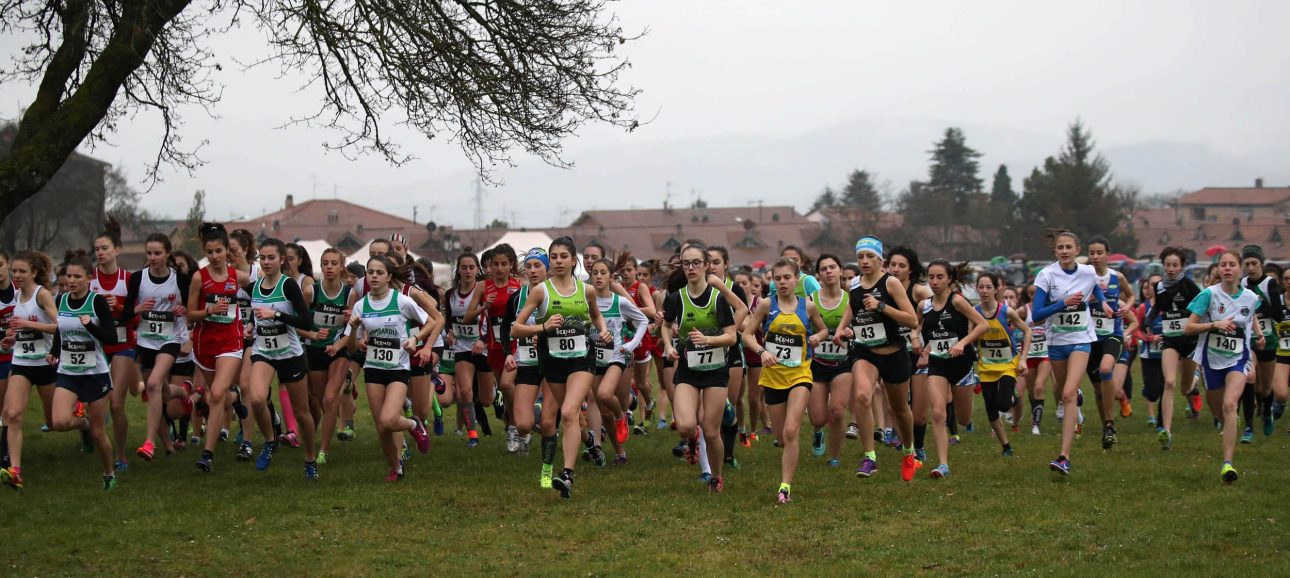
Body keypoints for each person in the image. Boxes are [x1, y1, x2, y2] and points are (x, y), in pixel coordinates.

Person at [511, 237, 612, 498]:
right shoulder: (540, 291)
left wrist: (602, 331)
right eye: (553, 256)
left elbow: (596, 314)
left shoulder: (586, 290)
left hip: (582, 360)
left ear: (573, 260)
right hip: (552, 362)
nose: (557, 261)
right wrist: (543, 327)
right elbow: (516, 328)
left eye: (563, 256)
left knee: (567, 412)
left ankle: (567, 475)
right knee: (573, 417)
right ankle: (590, 441)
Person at [333, 254, 435, 481]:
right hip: (373, 369)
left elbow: (431, 322)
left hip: (398, 368)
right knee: (382, 427)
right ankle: (396, 468)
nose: (374, 276)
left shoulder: (401, 301)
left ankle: (413, 424)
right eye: (370, 272)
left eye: (380, 272)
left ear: (389, 277)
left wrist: (415, 339)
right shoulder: (360, 306)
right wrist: (356, 329)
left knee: (389, 419)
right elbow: (352, 347)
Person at [833, 237, 922, 481]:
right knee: (862, 395)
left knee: (900, 409)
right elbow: (852, 308)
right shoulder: (854, 283)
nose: (864, 261)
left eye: (869, 257)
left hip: (893, 353)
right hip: (865, 351)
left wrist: (882, 306)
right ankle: (870, 457)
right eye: (860, 256)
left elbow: (912, 319)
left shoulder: (891, 283)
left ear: (880, 259)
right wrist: (842, 327)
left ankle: (908, 452)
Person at [743, 257, 829, 502]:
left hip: (800, 374)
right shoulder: (766, 306)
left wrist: (817, 337)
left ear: (796, 279)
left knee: (792, 430)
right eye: (777, 278)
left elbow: (823, 329)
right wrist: (762, 351)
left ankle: (784, 487)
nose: (782, 282)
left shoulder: (808, 306)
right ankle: (786, 463)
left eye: (787, 278)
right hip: (772, 377)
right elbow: (747, 335)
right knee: (782, 436)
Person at [1028, 230, 1111, 476]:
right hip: (1055, 342)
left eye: (1068, 247)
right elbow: (1037, 315)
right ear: (1055, 251)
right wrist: (1062, 304)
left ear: (1077, 250)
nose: (1064, 251)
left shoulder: (1088, 272)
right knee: (1063, 396)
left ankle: (1064, 457)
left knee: (1067, 394)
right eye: (1060, 247)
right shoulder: (1046, 275)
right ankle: (1075, 396)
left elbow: (1095, 287)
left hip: (1081, 339)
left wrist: (1103, 301)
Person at [1182, 251, 1262, 484]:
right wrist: (1214, 324)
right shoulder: (1209, 295)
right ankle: (1229, 422)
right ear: (1218, 269)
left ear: (1240, 269)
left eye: (1232, 264)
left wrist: (1257, 333)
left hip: (1238, 358)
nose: (1227, 268)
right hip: (1211, 361)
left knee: (1230, 404)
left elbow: (1251, 314)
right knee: (1219, 411)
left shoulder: (1250, 296)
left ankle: (1227, 464)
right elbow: (1188, 327)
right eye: (1223, 265)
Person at [244, 239, 319, 478]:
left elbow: (306, 322)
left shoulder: (288, 286)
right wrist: (250, 325)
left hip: (290, 354)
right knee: (256, 398)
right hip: (264, 351)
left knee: (302, 414)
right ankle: (270, 440)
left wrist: (276, 313)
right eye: (262, 258)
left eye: (271, 258)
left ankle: (309, 459)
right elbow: (255, 318)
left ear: (281, 260)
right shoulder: (253, 287)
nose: (266, 262)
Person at [188, 223, 253, 472]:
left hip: (230, 342)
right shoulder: (199, 278)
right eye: (210, 251)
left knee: (215, 395)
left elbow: (262, 289)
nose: (214, 256)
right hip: (205, 345)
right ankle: (235, 398)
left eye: (218, 251)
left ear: (227, 250)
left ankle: (207, 454)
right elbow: (190, 316)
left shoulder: (239, 277)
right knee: (218, 396)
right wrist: (208, 310)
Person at [123, 233, 191, 460]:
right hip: (145, 341)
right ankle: (182, 393)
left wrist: (185, 311)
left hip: (170, 340)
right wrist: (138, 308)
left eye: (158, 253)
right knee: (159, 392)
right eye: (149, 253)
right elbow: (124, 313)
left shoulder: (179, 279)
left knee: (152, 385)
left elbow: (194, 306)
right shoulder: (137, 278)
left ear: (168, 253)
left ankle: (149, 443)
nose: (152, 257)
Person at [918, 260, 988, 478]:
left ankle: (972, 384)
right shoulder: (924, 305)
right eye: (931, 277)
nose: (935, 282)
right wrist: (918, 343)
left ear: (949, 279)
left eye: (940, 277)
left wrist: (962, 343)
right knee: (938, 413)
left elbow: (982, 324)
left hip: (961, 364)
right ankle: (943, 465)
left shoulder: (957, 301)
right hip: (938, 364)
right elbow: (916, 327)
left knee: (963, 419)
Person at [0, 251, 59, 490]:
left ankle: (84, 426)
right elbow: (20, 332)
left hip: (44, 365)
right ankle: (15, 471)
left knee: (55, 422)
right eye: (14, 271)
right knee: (12, 414)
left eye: (22, 271)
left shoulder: (41, 295)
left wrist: (28, 324)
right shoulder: (14, 297)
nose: (17, 275)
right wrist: (10, 340)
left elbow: (59, 327)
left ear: (34, 273)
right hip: (22, 364)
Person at [90, 218, 142, 470]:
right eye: (97, 249)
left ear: (117, 251)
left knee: (117, 402)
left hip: (123, 344)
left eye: (104, 248)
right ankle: (91, 434)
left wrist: (119, 308)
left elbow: (137, 317)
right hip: (98, 346)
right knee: (94, 403)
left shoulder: (129, 279)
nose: (100, 253)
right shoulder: (89, 281)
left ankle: (121, 456)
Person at [588, 258, 649, 464]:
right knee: (603, 409)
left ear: (611, 277)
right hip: (595, 358)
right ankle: (619, 451)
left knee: (607, 395)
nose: (598, 276)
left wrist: (631, 344)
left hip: (616, 356)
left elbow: (642, 320)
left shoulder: (619, 301)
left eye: (602, 272)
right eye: (594, 272)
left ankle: (621, 415)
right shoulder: (586, 300)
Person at [1144, 247, 1203, 450]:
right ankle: (1166, 432)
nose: (1170, 269)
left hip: (1190, 341)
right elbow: (1157, 308)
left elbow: (1203, 307)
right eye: (1167, 265)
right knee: (1169, 382)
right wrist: (1148, 321)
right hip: (1170, 341)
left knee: (1185, 388)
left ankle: (1195, 380)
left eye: (1175, 265)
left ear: (1181, 266)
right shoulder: (1159, 286)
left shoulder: (1189, 286)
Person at [465, 244, 522, 451]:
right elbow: (467, 317)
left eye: (504, 264)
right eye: (495, 264)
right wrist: (484, 307)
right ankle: (512, 426)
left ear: (511, 265)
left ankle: (517, 429)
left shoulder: (519, 285)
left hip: (515, 345)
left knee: (507, 385)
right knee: (505, 392)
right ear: (489, 265)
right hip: (494, 347)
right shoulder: (483, 286)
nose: (499, 268)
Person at [974, 272, 1030, 457]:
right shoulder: (974, 312)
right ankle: (1006, 446)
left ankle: (1013, 398)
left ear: (997, 289)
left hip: (1007, 365)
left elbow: (1027, 331)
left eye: (988, 287)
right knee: (991, 411)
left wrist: (1023, 359)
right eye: (981, 287)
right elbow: (970, 336)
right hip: (986, 367)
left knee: (1004, 405)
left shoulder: (1007, 312)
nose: (984, 291)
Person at [1085, 237, 1134, 450]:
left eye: (1099, 253)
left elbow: (1131, 296)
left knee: (1106, 370)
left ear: (1107, 255)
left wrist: (1126, 308)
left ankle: (1110, 424)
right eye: (1092, 253)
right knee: (1097, 388)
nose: (1095, 257)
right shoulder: (1083, 276)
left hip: (1112, 335)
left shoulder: (1117, 276)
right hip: (1088, 337)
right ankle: (1106, 425)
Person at [305, 248, 352, 464]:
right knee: (321, 399)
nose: (329, 267)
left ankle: (322, 451)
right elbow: (297, 324)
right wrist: (312, 333)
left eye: (334, 263)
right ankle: (346, 384)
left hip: (339, 349)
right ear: (321, 266)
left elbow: (353, 328)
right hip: (315, 349)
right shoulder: (311, 292)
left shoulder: (349, 293)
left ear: (342, 266)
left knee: (330, 398)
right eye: (325, 263)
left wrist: (350, 321)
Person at [806, 254, 852, 468]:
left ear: (841, 270)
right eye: (823, 269)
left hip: (843, 363)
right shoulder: (811, 301)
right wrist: (811, 338)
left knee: (837, 410)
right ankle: (818, 433)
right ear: (818, 275)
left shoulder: (851, 299)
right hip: (816, 364)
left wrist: (851, 332)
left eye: (833, 267)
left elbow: (862, 326)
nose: (829, 272)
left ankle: (834, 456)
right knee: (818, 418)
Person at [443, 252, 490, 447]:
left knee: (487, 399)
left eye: (472, 267)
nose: (468, 271)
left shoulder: (484, 291)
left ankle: (496, 392)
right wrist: (449, 332)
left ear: (477, 270)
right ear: (458, 270)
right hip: (462, 347)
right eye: (464, 267)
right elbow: (449, 321)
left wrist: (484, 340)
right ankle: (473, 435)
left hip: (483, 347)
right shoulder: (451, 295)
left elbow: (492, 320)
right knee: (464, 392)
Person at [1238, 244, 1280, 441]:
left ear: (1261, 263)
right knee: (1250, 377)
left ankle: (1266, 411)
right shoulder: (1243, 283)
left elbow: (1278, 313)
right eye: (1247, 264)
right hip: (1249, 341)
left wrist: (1258, 310)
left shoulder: (1270, 283)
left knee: (1265, 388)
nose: (1250, 268)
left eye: (1254, 263)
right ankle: (1248, 427)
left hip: (1269, 340)